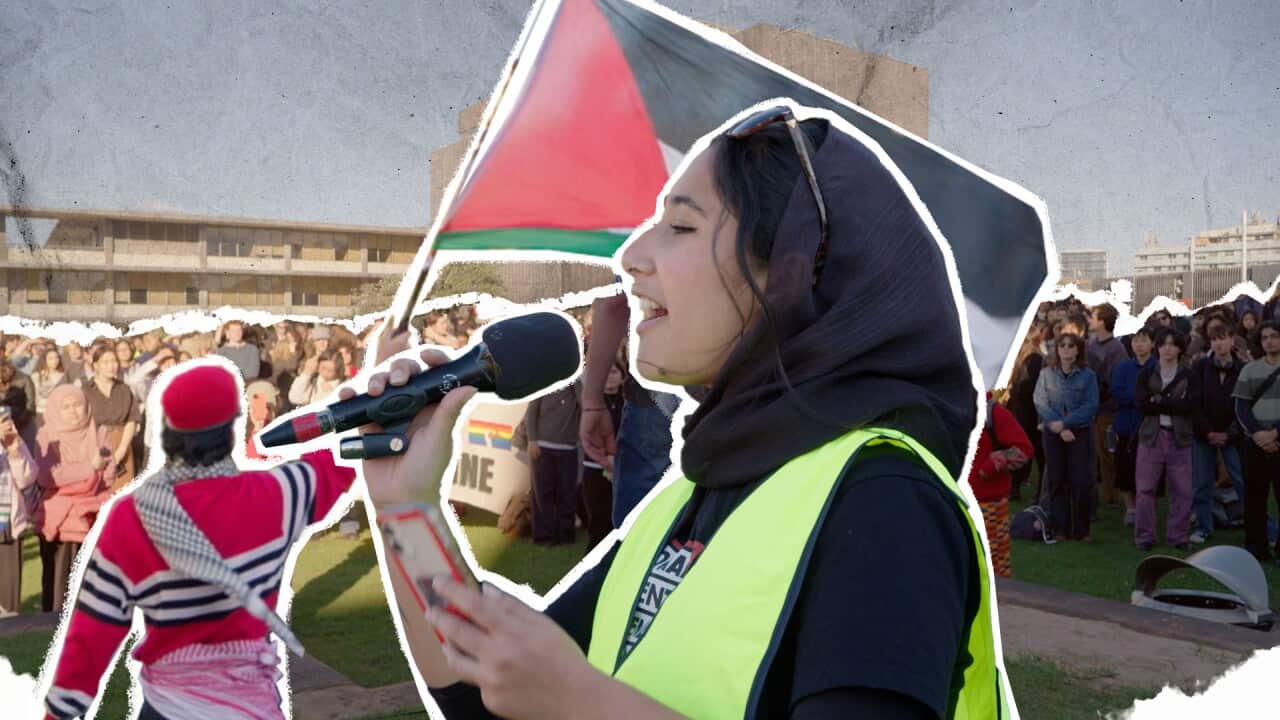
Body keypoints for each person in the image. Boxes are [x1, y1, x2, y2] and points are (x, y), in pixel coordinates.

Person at [358, 109, 1010, 719]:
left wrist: (583, 705)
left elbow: (561, 698)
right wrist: (405, 505)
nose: (633, 256)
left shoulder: (886, 501)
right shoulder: (693, 495)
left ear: (793, 272)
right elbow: (483, 693)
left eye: (682, 226)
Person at [40, 363, 357, 720]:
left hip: (167, 709)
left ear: (168, 431)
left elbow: (94, 630)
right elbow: (338, 461)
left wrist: (59, 714)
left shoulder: (131, 517)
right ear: (230, 430)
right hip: (252, 708)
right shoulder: (279, 495)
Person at [36, 384, 114, 614]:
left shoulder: (99, 433)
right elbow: (47, 476)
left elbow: (108, 476)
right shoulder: (46, 436)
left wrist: (74, 479)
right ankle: (52, 627)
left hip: (92, 518)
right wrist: (90, 469)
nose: (73, 411)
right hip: (58, 522)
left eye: (77, 405)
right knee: (58, 579)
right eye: (66, 407)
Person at [1034, 332, 1099, 541]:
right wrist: (1059, 427)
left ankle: (1082, 530)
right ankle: (1060, 528)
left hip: (1080, 433)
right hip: (1054, 433)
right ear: (1057, 349)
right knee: (1056, 479)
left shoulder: (1088, 375)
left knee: (1081, 481)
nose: (1066, 349)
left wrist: (1066, 423)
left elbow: (1091, 405)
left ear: (1078, 349)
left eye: (1071, 346)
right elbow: (1040, 402)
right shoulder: (1046, 374)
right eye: (1062, 345)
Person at [1134, 328, 1194, 552]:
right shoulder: (1146, 374)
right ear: (1157, 347)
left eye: (1173, 344)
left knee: (1182, 491)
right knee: (1145, 489)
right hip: (1152, 436)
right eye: (1163, 344)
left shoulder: (1189, 375)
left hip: (1180, 437)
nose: (1168, 348)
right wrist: (1171, 402)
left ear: (1179, 348)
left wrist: (1159, 400)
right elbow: (1142, 404)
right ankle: (1144, 536)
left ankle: (1178, 536)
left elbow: (1191, 405)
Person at [1187, 324, 1246, 544]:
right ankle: (1204, 527)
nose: (1219, 343)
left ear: (1233, 340)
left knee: (1242, 482)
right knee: (1202, 483)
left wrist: (1229, 434)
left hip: (1233, 436)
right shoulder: (1200, 367)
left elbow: (1244, 405)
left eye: (1223, 338)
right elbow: (1194, 403)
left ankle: (1260, 527)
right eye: (1214, 339)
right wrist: (1207, 432)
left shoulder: (1242, 369)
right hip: (1204, 434)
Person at [968, 394, 1032, 578]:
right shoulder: (945, 405)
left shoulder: (991, 411)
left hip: (988, 504)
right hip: (953, 501)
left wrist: (990, 466)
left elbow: (1024, 448)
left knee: (993, 570)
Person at [1233, 320, 1280, 565]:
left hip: (1277, 440)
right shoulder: (1250, 370)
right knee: (1254, 499)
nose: (1270, 341)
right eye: (1265, 337)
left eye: (1274, 336)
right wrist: (1258, 435)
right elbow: (1241, 407)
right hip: (1255, 443)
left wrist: (1275, 434)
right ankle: (1256, 549)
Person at [524, 383, 582, 545]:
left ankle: (566, 535)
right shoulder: (544, 383)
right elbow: (531, 413)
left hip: (568, 447)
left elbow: (584, 403)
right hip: (542, 447)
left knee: (568, 493)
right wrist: (532, 440)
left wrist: (575, 383)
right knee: (542, 493)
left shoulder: (576, 385)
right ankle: (543, 536)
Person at [577, 358, 625, 553]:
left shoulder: (631, 403)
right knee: (598, 523)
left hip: (623, 473)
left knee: (620, 523)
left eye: (613, 372)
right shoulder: (590, 403)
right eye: (603, 375)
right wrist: (605, 461)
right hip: (595, 471)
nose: (609, 378)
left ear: (623, 376)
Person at [1112, 328, 1156, 527]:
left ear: (1152, 343)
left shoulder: (1157, 366)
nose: (1139, 344)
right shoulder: (1123, 368)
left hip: (1151, 426)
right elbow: (1118, 394)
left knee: (1152, 471)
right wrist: (1141, 398)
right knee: (1125, 469)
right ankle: (1130, 507)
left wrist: (1141, 400)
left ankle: (1148, 508)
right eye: (1136, 340)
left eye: (1144, 340)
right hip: (1126, 426)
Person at [82, 346, 140, 492]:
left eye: (114, 361)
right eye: (105, 362)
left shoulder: (124, 389)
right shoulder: (85, 390)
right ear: (96, 365)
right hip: (95, 442)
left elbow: (131, 420)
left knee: (122, 491)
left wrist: (122, 449)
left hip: (122, 441)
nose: (111, 366)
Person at [1087, 304, 1128, 509]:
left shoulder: (1116, 348)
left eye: (1093, 317)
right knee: (1098, 453)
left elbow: (1116, 380)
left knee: (1109, 452)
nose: (1090, 320)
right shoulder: (1091, 345)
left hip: (1108, 408)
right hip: (1093, 406)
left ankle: (1115, 495)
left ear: (1102, 321)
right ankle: (1107, 494)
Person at [0, 409, 37, 615]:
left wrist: (14, 452)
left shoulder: (12, 436)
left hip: (10, 524)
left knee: (9, 601)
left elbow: (26, 480)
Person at [1006, 324, 1046, 502]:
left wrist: (1012, 390)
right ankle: (1015, 487)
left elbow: (1028, 387)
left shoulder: (1034, 360)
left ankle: (1038, 492)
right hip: (1019, 410)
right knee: (1021, 449)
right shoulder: (1022, 358)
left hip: (1030, 412)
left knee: (1036, 452)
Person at [32, 347, 69, 421]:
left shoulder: (63, 375)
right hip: (41, 412)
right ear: (44, 360)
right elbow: (35, 396)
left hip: (59, 413)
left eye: (57, 358)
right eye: (51, 358)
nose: (55, 361)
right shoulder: (37, 376)